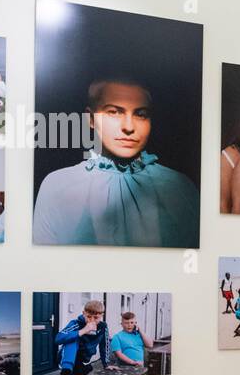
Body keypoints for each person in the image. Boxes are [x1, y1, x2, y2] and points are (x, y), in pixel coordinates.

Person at [33, 78, 200, 248]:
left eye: (140, 114)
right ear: (90, 119)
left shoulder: (180, 188)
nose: (128, 127)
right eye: (114, 112)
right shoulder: (58, 186)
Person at [55, 300, 108, 375]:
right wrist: (83, 331)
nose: (92, 320)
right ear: (83, 313)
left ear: (101, 316)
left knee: (80, 374)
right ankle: (65, 371)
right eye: (89, 317)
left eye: (96, 318)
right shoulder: (76, 323)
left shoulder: (103, 326)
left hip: (84, 359)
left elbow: (104, 345)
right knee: (72, 338)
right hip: (68, 357)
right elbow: (58, 338)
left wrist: (106, 364)